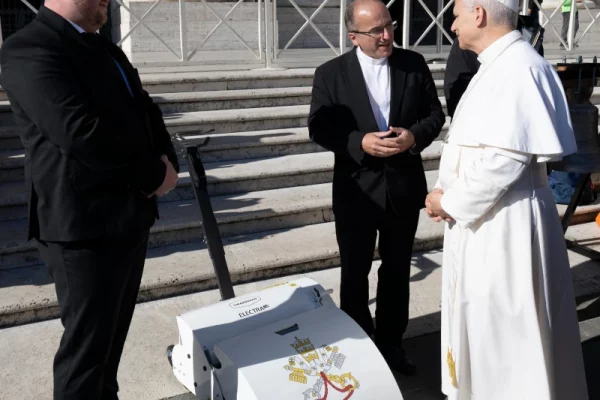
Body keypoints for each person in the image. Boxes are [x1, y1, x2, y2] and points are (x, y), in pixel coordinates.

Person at [0, 0, 179, 398]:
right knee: (85, 357)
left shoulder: (106, 49)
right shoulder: (29, 47)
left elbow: (146, 109)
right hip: (82, 228)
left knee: (108, 352)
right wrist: (153, 175)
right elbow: (79, 132)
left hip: (130, 218)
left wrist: (169, 161)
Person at [425, 0, 588, 398]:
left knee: (507, 341)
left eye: (456, 15)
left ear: (479, 14)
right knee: (483, 333)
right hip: (484, 220)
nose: (452, 25)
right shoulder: (496, 65)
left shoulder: (520, 68)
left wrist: (450, 202)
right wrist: (447, 192)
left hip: (505, 226)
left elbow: (505, 160)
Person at [308, 0, 445, 375]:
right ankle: (358, 346)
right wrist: (359, 142)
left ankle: (391, 344)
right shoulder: (330, 73)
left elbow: (435, 114)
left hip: (403, 186)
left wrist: (413, 137)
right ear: (353, 36)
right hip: (356, 188)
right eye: (376, 30)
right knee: (354, 273)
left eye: (390, 25)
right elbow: (319, 127)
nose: (386, 36)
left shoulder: (412, 63)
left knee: (397, 271)